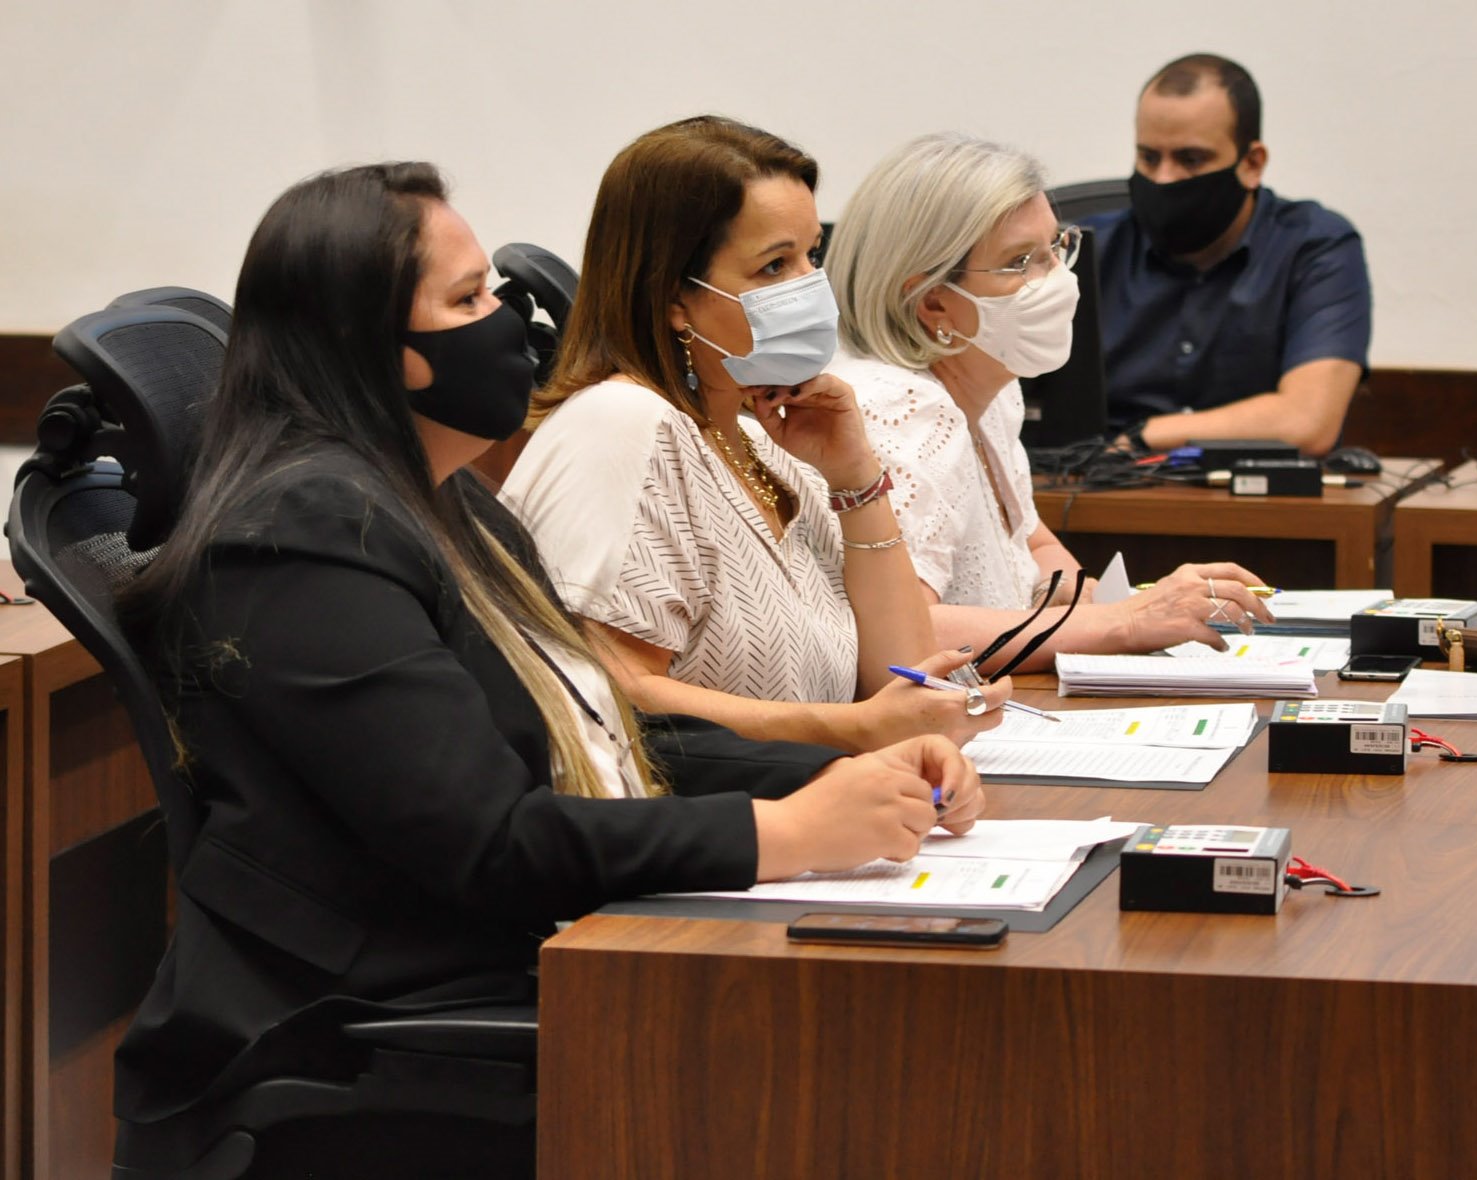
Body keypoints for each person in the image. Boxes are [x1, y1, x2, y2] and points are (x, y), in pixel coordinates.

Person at [111, 162, 983, 1178]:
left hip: (515, 968)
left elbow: (598, 736)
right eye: (468, 299)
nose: (510, 322)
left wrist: (845, 776)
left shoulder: (445, 500)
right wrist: (780, 834)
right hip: (367, 1036)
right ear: (377, 347)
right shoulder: (302, 536)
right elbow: (487, 840)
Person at [503, 116, 1007, 753]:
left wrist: (855, 482)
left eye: (811, 256)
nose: (809, 288)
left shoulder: (765, 446)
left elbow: (901, 679)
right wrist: (850, 731)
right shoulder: (619, 425)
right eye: (773, 266)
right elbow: (614, 692)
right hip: (707, 813)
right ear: (673, 298)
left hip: (821, 804)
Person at [824, 132, 1275, 672]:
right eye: (1020, 261)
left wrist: (1108, 602)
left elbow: (1033, 547)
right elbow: (903, 635)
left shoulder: (991, 393)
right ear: (933, 302)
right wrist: (1123, 623)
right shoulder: (899, 410)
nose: (1057, 280)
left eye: (1055, 249)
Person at [1084, 53, 1372, 457]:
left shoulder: (1315, 247)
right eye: (1149, 157)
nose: (1164, 179)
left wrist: (1146, 435)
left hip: (1252, 493)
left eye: (1190, 159)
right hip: (1095, 483)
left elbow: (1308, 422)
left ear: (1252, 164)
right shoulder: (1085, 251)